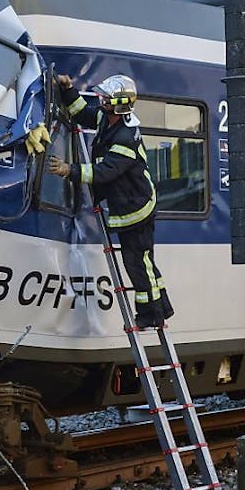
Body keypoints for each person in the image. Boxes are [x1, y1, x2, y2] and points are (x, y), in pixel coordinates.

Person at [47, 74, 173, 328]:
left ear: (119, 103)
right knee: (144, 262)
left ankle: (152, 315)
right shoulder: (109, 119)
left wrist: (68, 170)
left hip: (136, 209)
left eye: (106, 98)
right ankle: (162, 308)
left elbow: (103, 172)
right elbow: (82, 113)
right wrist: (69, 90)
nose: (102, 100)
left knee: (138, 263)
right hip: (128, 204)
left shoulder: (125, 137)